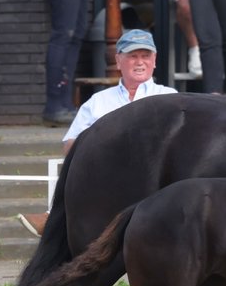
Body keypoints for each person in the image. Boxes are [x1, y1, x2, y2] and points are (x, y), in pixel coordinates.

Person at [17, 28, 176, 236]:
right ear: (118, 61)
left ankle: (57, 218)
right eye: (133, 56)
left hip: (154, 176)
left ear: (154, 61)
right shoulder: (98, 101)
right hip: (107, 175)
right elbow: (70, 146)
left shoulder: (169, 97)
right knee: (80, 168)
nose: (140, 62)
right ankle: (56, 217)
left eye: (145, 56)